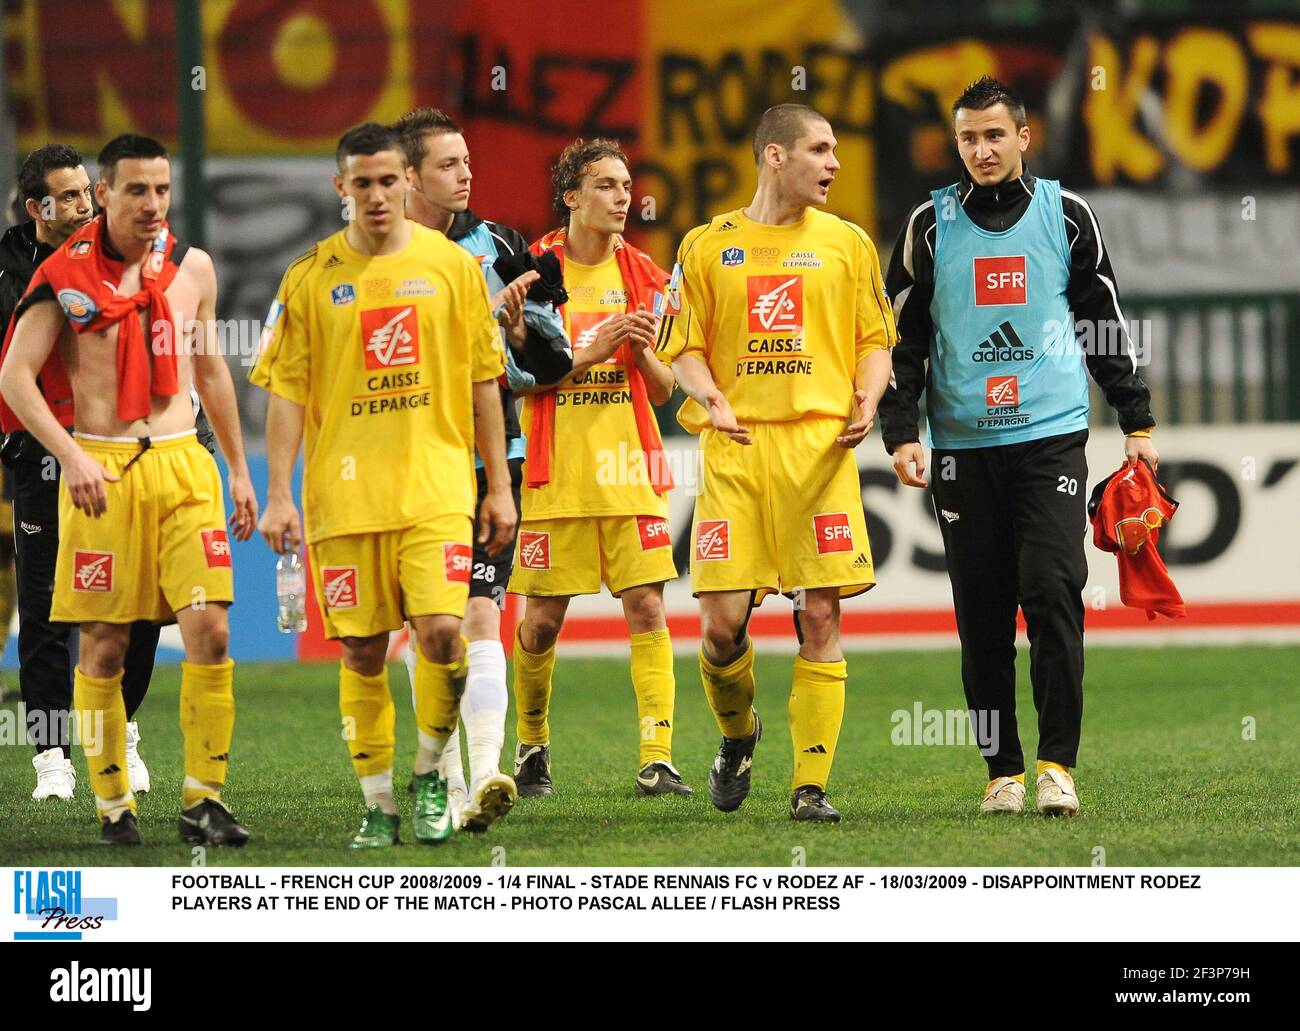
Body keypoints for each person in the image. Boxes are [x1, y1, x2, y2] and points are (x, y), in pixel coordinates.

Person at [879, 77, 1159, 817]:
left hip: (1050, 437)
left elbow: (1104, 318)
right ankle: (1000, 770)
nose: (981, 150)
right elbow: (898, 343)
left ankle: (1056, 765)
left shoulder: (1066, 215)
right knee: (981, 615)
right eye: (968, 137)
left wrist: (1138, 419)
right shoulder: (928, 227)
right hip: (961, 449)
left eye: (995, 135)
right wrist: (901, 431)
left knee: (1054, 591)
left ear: (1024, 137)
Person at [251, 122, 515, 848]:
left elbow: (484, 381)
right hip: (343, 500)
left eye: (387, 180)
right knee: (364, 650)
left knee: (440, 632)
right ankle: (378, 801)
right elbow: (286, 393)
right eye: (360, 182)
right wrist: (279, 492)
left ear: (407, 182)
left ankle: (431, 773)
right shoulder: (308, 278)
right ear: (340, 188)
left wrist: (498, 486)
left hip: (435, 488)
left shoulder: (451, 268)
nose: (375, 194)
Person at [0, 133, 259, 845]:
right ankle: (113, 805)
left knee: (210, 626)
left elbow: (211, 374)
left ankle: (204, 799)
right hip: (102, 470)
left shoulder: (191, 268)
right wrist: (70, 456)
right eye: (136, 190)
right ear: (104, 195)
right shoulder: (60, 274)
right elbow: (15, 376)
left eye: (163, 190)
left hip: (183, 465)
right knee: (105, 646)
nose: (152, 204)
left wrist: (237, 469)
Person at [659, 104, 895, 822]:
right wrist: (711, 397)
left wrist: (872, 396)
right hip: (735, 453)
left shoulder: (849, 243)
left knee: (819, 613)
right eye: (819, 149)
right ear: (773, 155)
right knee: (722, 626)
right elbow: (683, 343)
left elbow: (874, 338)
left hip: (822, 453)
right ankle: (738, 736)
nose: (834, 163)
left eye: (835, 150)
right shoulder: (706, 245)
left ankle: (810, 787)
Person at [392, 107, 572, 831]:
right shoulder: (375, 254)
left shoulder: (500, 244)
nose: (465, 173)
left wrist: (515, 330)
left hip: (491, 459)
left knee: (477, 611)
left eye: (467, 161)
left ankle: (489, 770)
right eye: (447, 164)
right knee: (428, 626)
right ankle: (446, 774)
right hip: (402, 463)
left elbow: (555, 360)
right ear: (409, 177)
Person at [508, 138, 689, 799]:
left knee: (646, 607)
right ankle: (531, 747)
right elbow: (514, 379)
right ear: (573, 197)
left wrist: (639, 354)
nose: (622, 197)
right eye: (606, 186)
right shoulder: (532, 273)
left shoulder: (648, 275)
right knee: (541, 622)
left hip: (630, 472)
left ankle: (657, 756)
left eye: (625, 184)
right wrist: (591, 350)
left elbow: (668, 388)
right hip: (555, 476)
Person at [0, 143, 172, 801]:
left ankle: (121, 734)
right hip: (43, 458)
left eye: (84, 192)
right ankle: (51, 757)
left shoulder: (128, 256)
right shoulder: (12, 271)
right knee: (45, 610)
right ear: (35, 207)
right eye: (66, 196)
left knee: (140, 603)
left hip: (122, 452)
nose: (81, 204)